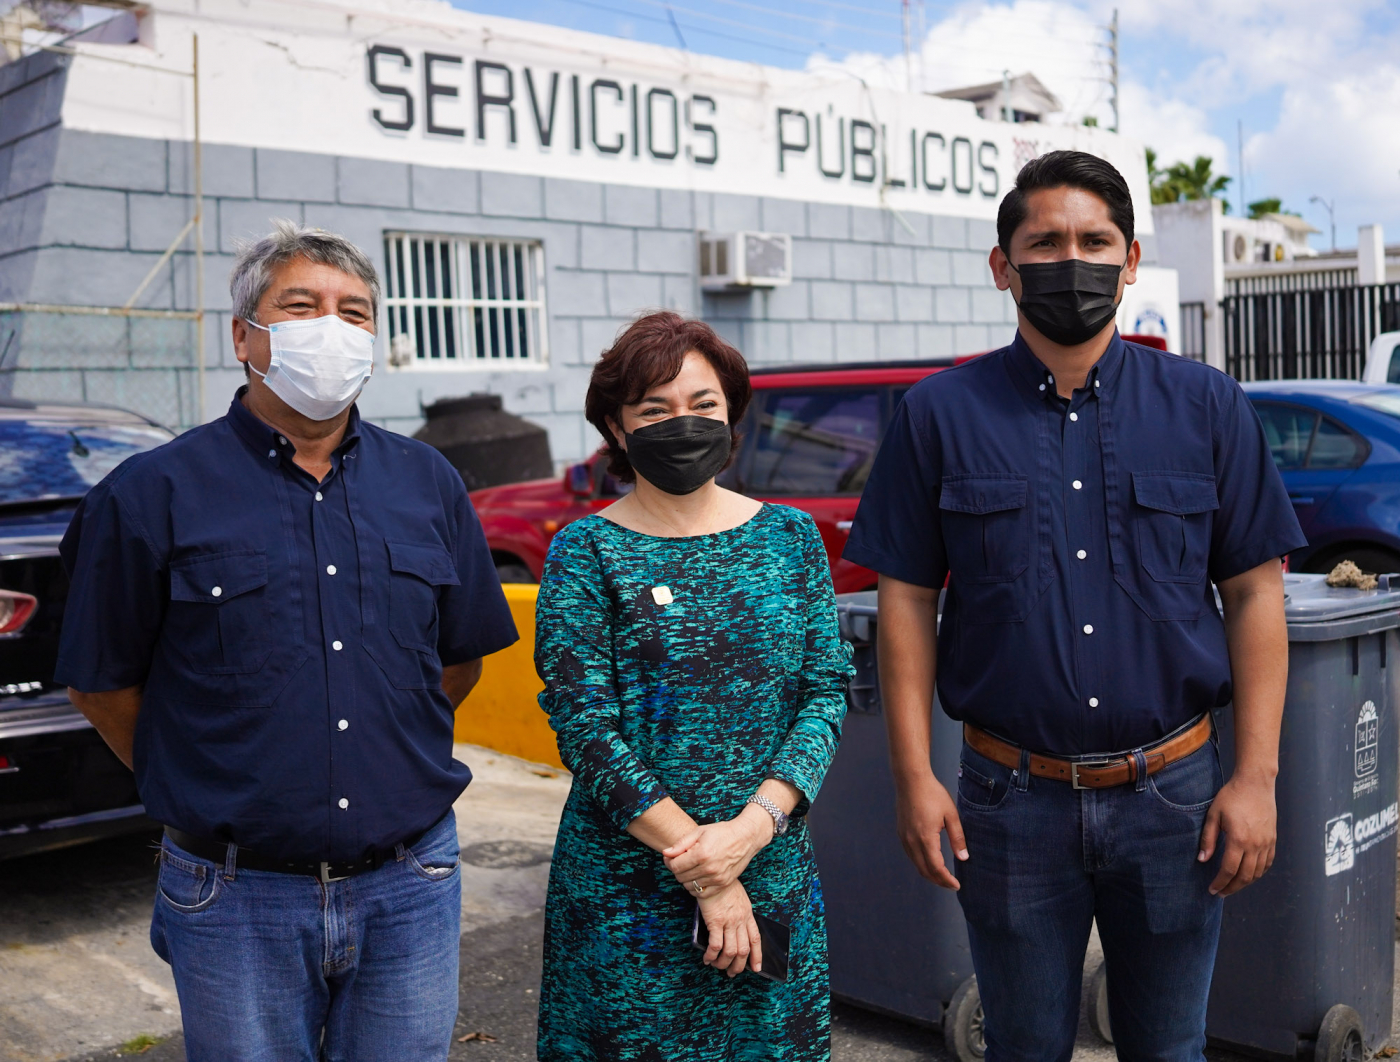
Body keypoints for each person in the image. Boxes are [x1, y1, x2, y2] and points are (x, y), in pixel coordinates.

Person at [843, 150, 1306, 1061]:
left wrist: (1256, 777)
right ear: (1002, 266)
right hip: (1009, 801)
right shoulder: (938, 416)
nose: (1073, 259)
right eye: (1045, 241)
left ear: (1131, 260)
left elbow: (1255, 593)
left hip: (1176, 794)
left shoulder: (1206, 406)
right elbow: (904, 604)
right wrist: (912, 776)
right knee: (1022, 1048)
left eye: (1095, 240)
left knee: (1169, 1049)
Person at [55, 221, 518, 1062]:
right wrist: (216, 776)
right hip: (233, 897)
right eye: (301, 305)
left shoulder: (429, 483)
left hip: (411, 884)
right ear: (245, 335)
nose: (331, 328)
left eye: (356, 312)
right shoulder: (149, 494)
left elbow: (455, 662)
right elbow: (101, 685)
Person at [532, 311, 854, 1060]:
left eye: (703, 404)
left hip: (768, 868)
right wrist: (706, 872)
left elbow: (824, 692)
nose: (684, 422)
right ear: (616, 427)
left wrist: (750, 832)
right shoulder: (586, 551)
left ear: (731, 413)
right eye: (655, 408)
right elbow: (584, 724)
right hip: (626, 891)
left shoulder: (790, 537)